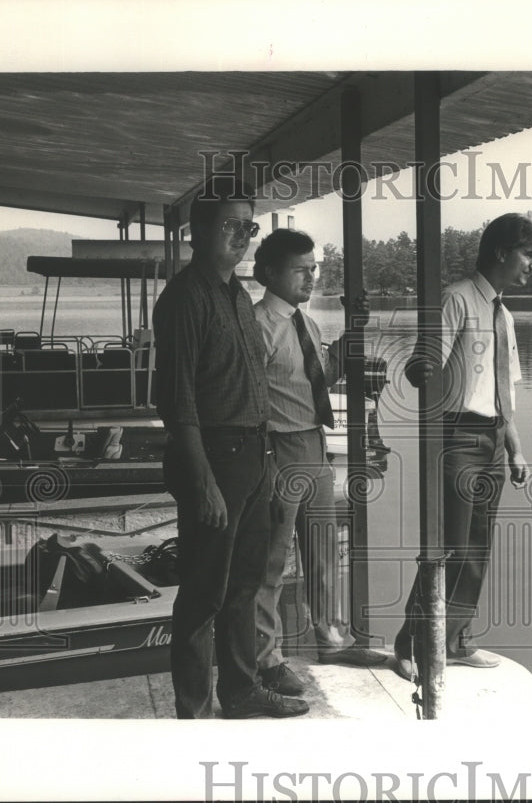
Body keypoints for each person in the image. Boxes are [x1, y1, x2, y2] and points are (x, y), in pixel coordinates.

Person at [153, 179, 308, 719]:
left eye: (250, 226)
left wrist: (263, 466)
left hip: (253, 456)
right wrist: (202, 482)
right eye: (232, 225)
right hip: (213, 458)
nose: (243, 235)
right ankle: (192, 712)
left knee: (245, 585)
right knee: (202, 595)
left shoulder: (238, 296)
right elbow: (178, 402)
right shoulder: (184, 298)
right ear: (199, 232)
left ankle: (241, 692)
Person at [393, 213, 532, 681]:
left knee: (478, 547)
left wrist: (514, 448)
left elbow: (504, 392)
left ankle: (455, 640)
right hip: (456, 436)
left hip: (493, 437)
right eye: (529, 255)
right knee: (450, 545)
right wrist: (425, 365)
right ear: (501, 251)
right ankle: (411, 646)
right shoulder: (456, 299)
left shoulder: (504, 312)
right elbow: (423, 366)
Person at [250, 228, 386, 697]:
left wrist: (352, 336)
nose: (311, 277)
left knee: (325, 554)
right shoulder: (257, 325)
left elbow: (320, 377)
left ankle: (332, 638)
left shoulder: (306, 324)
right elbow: (248, 401)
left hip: (314, 447)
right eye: (300, 269)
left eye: (314, 269)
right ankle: (266, 661)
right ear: (270, 273)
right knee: (269, 565)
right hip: (278, 451)